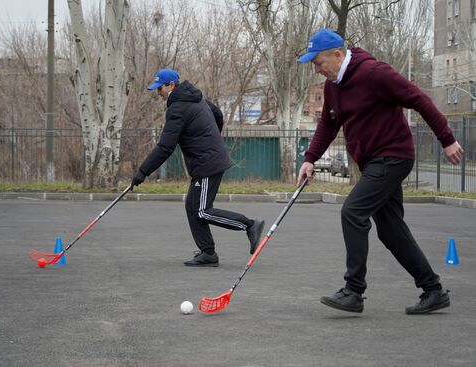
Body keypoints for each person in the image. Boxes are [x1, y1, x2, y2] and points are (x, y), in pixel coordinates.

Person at [296, 29, 464, 314]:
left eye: (319, 62)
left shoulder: (374, 73)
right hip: (373, 161)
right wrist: (310, 158)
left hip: (394, 155)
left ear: (338, 55)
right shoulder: (333, 85)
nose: (317, 69)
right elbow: (328, 124)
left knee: (353, 212)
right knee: (390, 230)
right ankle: (433, 290)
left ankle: (353, 291)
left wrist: (446, 139)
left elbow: (418, 98)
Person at [131, 68, 265, 267]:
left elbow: (165, 147)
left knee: (202, 210)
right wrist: (211, 137)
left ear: (171, 85)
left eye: (160, 88)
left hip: (206, 163)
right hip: (209, 159)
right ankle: (208, 253)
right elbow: (217, 114)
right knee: (192, 206)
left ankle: (249, 225)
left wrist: (142, 172)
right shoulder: (196, 99)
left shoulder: (177, 109)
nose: (158, 93)